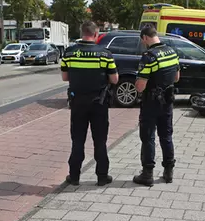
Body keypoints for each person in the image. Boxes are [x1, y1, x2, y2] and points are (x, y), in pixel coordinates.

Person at [60, 20, 118, 186]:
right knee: (100, 140)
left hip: (78, 102)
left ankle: (74, 176)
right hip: (99, 103)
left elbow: (65, 77)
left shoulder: (69, 53)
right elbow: (114, 79)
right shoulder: (105, 54)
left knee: (78, 140)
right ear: (95, 34)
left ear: (81, 33)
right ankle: (102, 176)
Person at [132, 25, 180, 186]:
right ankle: (168, 172)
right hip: (167, 101)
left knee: (148, 137)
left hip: (151, 103)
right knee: (166, 136)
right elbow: (177, 77)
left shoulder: (149, 57)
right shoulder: (172, 52)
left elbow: (140, 87)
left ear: (145, 37)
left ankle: (147, 174)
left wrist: (138, 80)